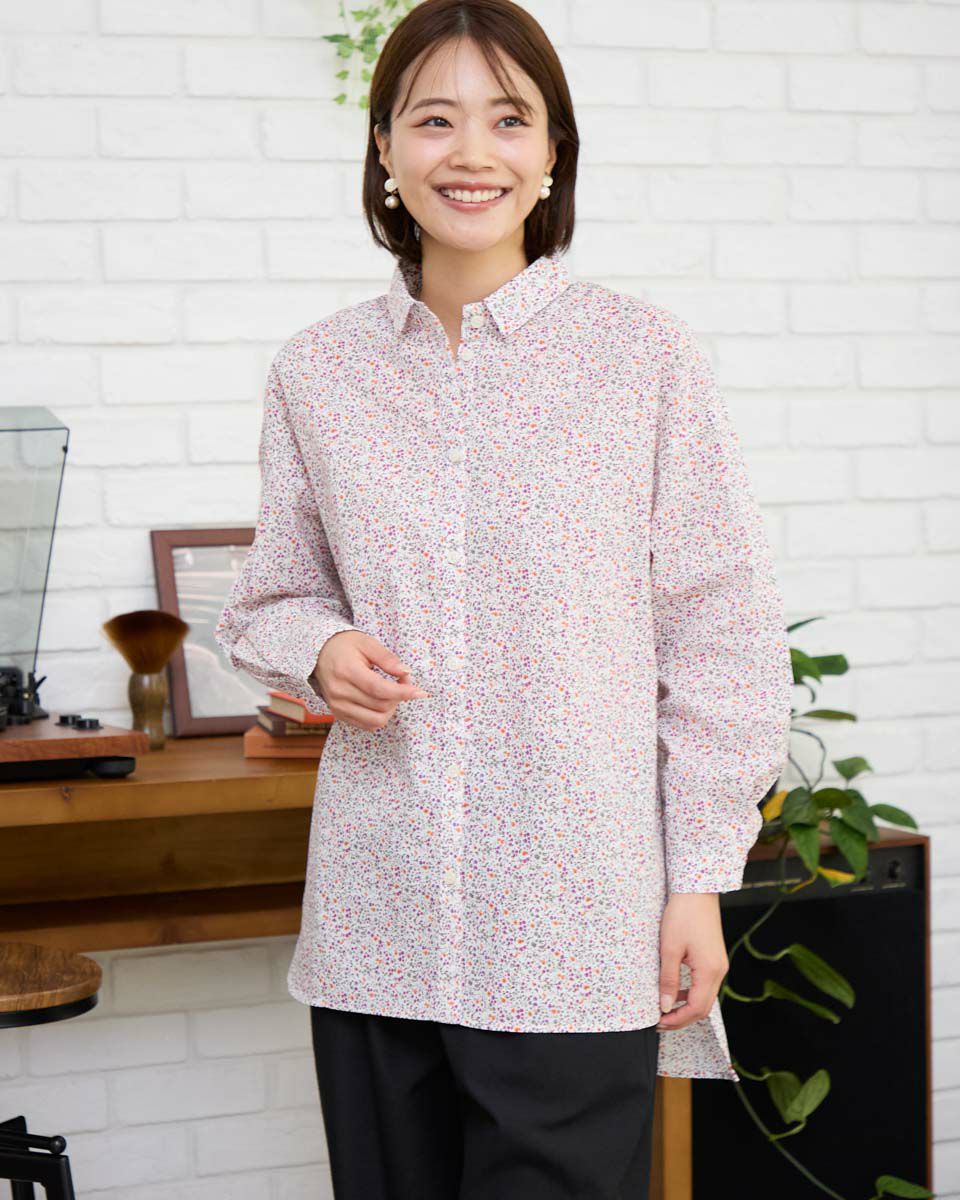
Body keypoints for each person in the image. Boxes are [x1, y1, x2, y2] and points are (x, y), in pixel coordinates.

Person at [213, 0, 795, 1196]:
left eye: (508, 119)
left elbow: (724, 640)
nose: (470, 152)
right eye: (434, 119)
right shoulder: (318, 372)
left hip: (576, 921)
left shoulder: (643, 359)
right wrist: (321, 647)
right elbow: (270, 595)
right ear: (385, 146)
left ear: (552, 153)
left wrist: (699, 880)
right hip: (380, 917)